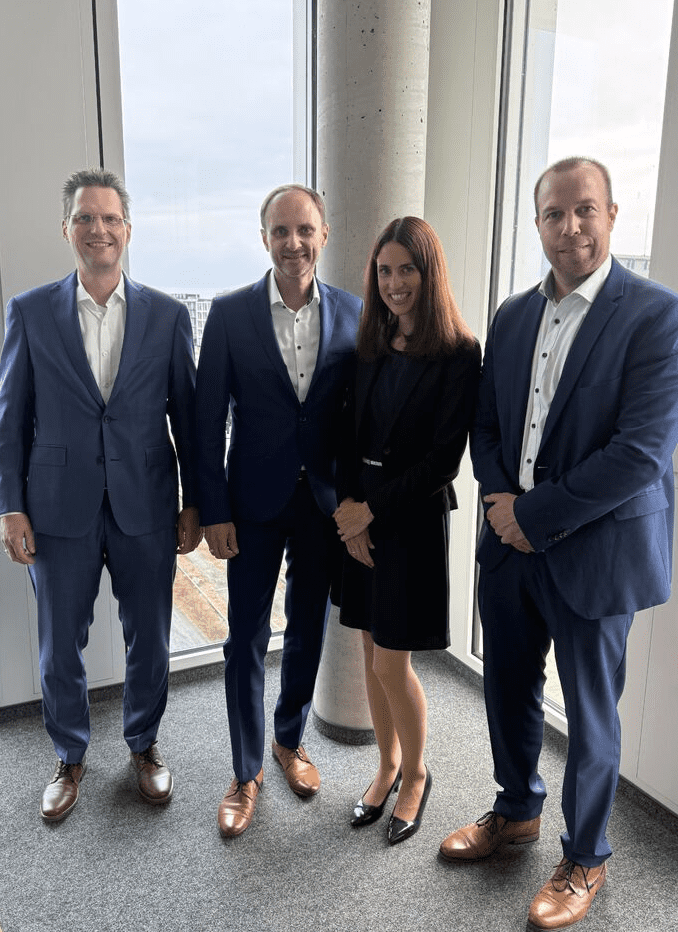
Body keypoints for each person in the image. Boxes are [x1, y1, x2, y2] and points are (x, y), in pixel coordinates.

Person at [439, 157, 678, 928]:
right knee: (507, 688)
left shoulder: (662, 317)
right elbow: (486, 422)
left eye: (585, 209)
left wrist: (535, 515)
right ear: (538, 224)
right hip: (508, 546)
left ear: (612, 214)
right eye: (554, 213)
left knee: (590, 715)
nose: (570, 226)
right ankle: (516, 810)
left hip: (595, 552)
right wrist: (501, 505)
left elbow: (639, 454)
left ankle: (586, 856)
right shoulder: (513, 315)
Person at [0, 169, 200, 822]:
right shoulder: (29, 312)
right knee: (60, 644)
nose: (99, 229)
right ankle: (69, 756)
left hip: (147, 504)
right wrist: (10, 505)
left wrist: (194, 502)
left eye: (110, 218)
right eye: (85, 217)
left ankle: (144, 746)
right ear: (67, 229)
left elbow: (188, 420)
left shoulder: (168, 316)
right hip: (58, 507)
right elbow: (10, 419)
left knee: (151, 639)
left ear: (128, 231)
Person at [195, 183, 362, 837]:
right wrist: (213, 508)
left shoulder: (354, 312)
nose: (294, 243)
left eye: (305, 230)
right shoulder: (229, 314)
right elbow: (208, 421)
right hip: (252, 503)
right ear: (264, 237)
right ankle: (245, 771)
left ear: (323, 235)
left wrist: (358, 500)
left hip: (322, 504)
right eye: (281, 231)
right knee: (244, 636)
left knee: (308, 629)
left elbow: (359, 416)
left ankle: (289, 741)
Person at [333, 216, 481, 845]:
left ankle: (417, 773)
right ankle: (386, 765)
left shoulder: (459, 353)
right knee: (371, 652)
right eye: (384, 270)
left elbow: (443, 460)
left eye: (407, 270)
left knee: (394, 661)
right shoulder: (369, 344)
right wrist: (349, 511)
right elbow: (346, 436)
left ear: (429, 273)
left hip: (410, 519)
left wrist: (370, 510)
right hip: (360, 518)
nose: (394, 283)